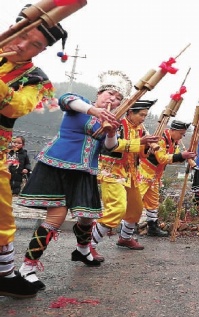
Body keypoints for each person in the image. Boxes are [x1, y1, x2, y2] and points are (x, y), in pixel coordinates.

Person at [17, 70, 131, 291]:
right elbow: (65, 100)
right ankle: (27, 268)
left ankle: (82, 251)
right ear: (99, 93)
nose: (112, 99)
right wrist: (94, 111)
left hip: (85, 171)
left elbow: (110, 147)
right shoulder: (80, 103)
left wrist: (111, 131)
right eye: (109, 93)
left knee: (87, 217)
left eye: (118, 98)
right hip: (57, 165)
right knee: (56, 217)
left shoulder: (113, 119)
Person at [0, 4, 68, 298]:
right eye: (22, 35)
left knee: (1, 216)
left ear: (41, 51)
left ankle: (4, 273)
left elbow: (17, 106)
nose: (23, 45)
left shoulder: (36, 79)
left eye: (36, 44)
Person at [91, 100, 159, 261]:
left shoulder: (141, 129)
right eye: (141, 115)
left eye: (145, 115)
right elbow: (111, 146)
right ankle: (89, 245)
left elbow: (141, 154)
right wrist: (139, 142)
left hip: (131, 173)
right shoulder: (116, 123)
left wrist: (147, 148)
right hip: (112, 172)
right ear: (130, 113)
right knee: (117, 208)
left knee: (136, 208)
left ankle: (125, 238)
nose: (143, 118)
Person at [139, 119, 196, 237]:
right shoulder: (161, 139)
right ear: (173, 130)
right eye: (181, 133)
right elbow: (162, 158)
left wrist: (185, 157)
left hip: (155, 175)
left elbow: (173, 158)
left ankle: (152, 227)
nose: (182, 136)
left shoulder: (174, 142)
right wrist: (181, 155)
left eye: (183, 134)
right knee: (137, 199)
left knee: (153, 202)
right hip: (144, 172)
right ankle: (127, 226)